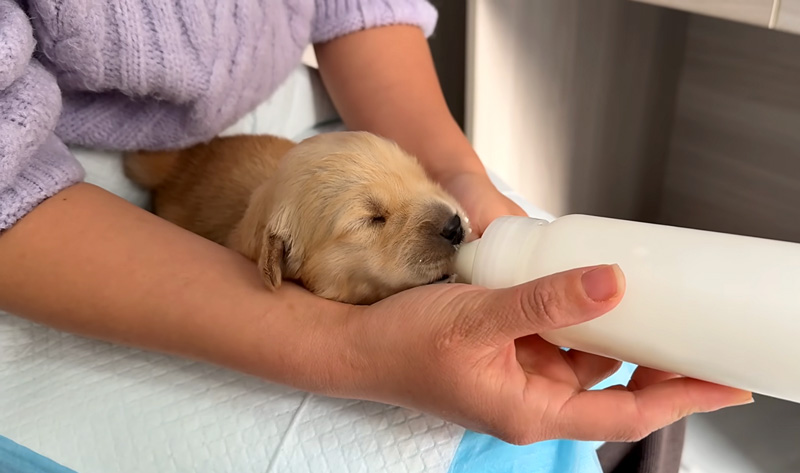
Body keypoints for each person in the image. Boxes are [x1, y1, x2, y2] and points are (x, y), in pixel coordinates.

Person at [0, 0, 750, 452]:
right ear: (277, 259)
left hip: (272, 108)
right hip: (60, 190)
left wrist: (456, 177)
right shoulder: (254, 238)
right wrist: (342, 345)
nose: (443, 223)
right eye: (374, 220)